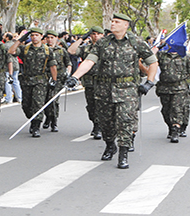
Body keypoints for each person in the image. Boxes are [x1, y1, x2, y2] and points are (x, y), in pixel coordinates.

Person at [66, 13, 158, 169]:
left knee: (126, 122)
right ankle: (110, 145)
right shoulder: (102, 43)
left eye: (117, 22)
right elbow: (89, 61)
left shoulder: (137, 43)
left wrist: (149, 82)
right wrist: (75, 77)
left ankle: (123, 154)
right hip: (104, 89)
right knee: (106, 123)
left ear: (126, 25)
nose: (113, 24)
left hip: (127, 90)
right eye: (112, 21)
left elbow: (153, 63)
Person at [8, 27, 57, 138]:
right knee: (26, 105)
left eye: (36, 35)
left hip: (40, 81)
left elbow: (52, 66)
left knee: (38, 103)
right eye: (32, 35)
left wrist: (54, 80)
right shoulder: (25, 49)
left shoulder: (47, 50)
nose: (34, 37)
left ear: (41, 37)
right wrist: (20, 40)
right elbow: (11, 51)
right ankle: (32, 119)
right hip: (26, 81)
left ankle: (36, 126)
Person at [151, 40, 190, 143]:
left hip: (180, 87)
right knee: (166, 110)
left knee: (177, 109)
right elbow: (149, 60)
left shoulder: (186, 56)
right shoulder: (162, 55)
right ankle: (170, 126)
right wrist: (156, 49)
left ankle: (175, 130)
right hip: (164, 88)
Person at [67, 26, 105, 139]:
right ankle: (96, 124)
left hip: (104, 82)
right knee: (92, 106)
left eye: (98, 34)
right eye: (93, 34)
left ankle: (100, 127)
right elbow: (71, 50)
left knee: (103, 106)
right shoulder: (86, 49)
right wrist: (81, 38)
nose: (96, 36)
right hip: (89, 82)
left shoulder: (107, 48)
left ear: (102, 35)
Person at [43, 30, 72, 132]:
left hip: (58, 78)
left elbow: (68, 63)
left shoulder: (61, 51)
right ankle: (48, 117)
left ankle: (54, 122)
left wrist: (68, 74)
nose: (50, 40)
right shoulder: (43, 50)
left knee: (53, 100)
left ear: (56, 38)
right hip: (45, 78)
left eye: (52, 37)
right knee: (44, 100)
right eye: (48, 38)